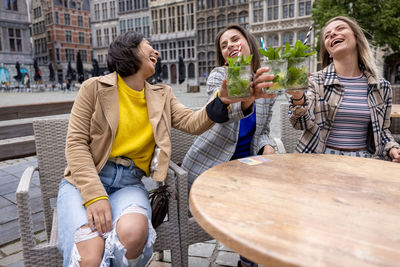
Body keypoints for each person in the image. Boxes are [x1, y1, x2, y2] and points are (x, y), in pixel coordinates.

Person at [57, 31, 274, 267]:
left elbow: (193, 123)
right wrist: (95, 195)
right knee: (90, 254)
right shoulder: (94, 88)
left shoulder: (162, 95)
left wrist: (221, 100)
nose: (157, 52)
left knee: (133, 234)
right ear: (129, 51)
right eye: (148, 46)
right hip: (85, 181)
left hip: (129, 183)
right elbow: (76, 143)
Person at [181, 24, 276, 267]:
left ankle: (248, 262)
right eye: (224, 45)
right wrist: (247, 100)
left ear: (248, 42)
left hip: (246, 167)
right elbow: (221, 111)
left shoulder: (265, 79)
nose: (230, 46)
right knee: (256, 207)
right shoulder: (219, 76)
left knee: (274, 201)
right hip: (212, 168)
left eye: (235, 39)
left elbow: (262, 130)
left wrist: (267, 147)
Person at [288, 16, 400, 162]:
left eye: (340, 29)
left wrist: (392, 148)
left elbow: (382, 132)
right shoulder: (315, 82)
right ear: (329, 51)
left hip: (364, 161)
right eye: (327, 35)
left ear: (357, 39)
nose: (332, 34)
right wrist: (298, 97)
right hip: (320, 160)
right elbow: (301, 124)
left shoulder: (381, 86)